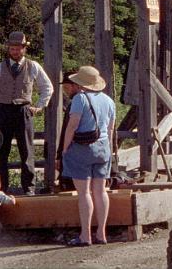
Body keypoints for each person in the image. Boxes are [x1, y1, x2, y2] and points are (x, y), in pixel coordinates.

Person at [0, 31, 54, 195]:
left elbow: (47, 87)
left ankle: (29, 188)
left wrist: (39, 106)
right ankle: (0, 188)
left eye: (18, 49)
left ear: (24, 49)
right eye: (12, 49)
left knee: (26, 150)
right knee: (1, 151)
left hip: (23, 110)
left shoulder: (33, 66)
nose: (15, 52)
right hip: (3, 111)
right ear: (8, 49)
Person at [61, 66, 115, 246]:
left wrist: (64, 148)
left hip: (82, 149)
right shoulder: (109, 101)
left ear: (80, 83)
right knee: (100, 191)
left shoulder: (80, 99)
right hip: (103, 148)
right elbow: (110, 130)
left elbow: (72, 125)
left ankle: (86, 235)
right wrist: (109, 150)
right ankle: (102, 233)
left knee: (84, 193)